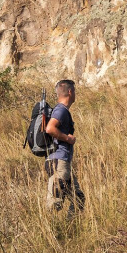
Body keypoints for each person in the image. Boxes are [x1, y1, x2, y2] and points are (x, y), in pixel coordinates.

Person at [44, 78, 85, 213]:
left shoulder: (61, 110)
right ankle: (51, 231)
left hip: (61, 161)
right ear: (70, 92)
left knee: (78, 198)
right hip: (59, 162)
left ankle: (72, 229)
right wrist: (67, 138)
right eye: (75, 91)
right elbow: (50, 128)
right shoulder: (61, 110)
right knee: (55, 203)